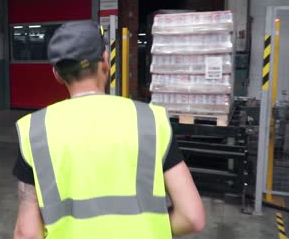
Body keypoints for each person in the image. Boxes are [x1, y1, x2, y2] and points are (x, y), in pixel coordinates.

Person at [12, 21, 205, 239]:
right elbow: (192, 218)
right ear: (105, 62)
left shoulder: (35, 130)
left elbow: (27, 233)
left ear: (56, 74)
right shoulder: (150, 120)